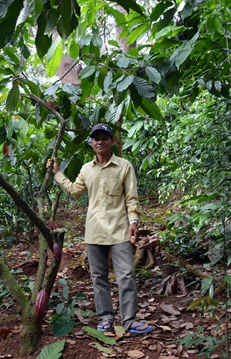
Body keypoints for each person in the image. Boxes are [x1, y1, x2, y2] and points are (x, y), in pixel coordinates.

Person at [46, 123, 152, 334]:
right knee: (99, 277)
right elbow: (75, 191)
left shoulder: (124, 166)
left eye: (105, 138)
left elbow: (132, 198)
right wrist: (57, 173)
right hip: (94, 231)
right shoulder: (87, 169)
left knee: (127, 275)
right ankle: (105, 318)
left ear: (113, 141)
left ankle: (130, 320)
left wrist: (134, 222)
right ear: (92, 143)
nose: (100, 141)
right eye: (96, 138)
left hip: (120, 229)